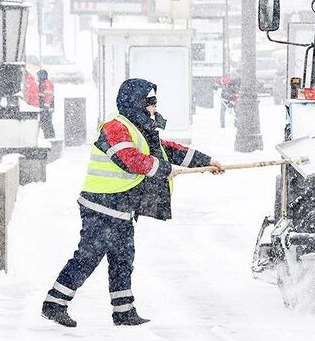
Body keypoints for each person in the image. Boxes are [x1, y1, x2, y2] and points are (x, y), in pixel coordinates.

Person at [41, 78, 225, 327]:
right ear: (136, 102)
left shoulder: (142, 131)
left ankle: (124, 311)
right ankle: (54, 304)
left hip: (121, 208)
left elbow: (170, 150)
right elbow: (129, 159)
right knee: (88, 257)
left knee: (123, 258)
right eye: (150, 102)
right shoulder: (115, 127)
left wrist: (206, 162)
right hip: (100, 207)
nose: (154, 108)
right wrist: (163, 169)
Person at [36, 69, 55, 138]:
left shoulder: (46, 83)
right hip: (45, 108)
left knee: (47, 124)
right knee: (45, 123)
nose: (37, 78)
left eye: (38, 76)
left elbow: (48, 95)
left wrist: (46, 106)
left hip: (47, 108)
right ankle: (49, 137)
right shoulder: (43, 83)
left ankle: (50, 138)